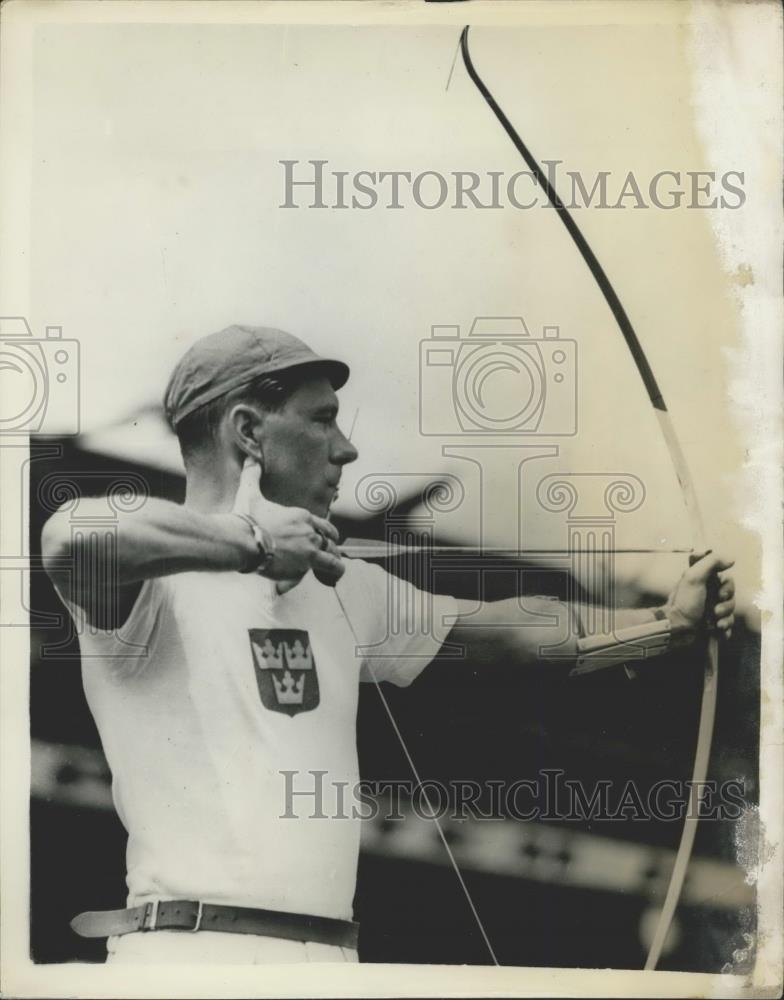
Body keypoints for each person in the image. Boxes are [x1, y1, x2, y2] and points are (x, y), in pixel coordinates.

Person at [41, 324, 736, 965]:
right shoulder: (146, 587)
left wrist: (667, 626)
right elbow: (71, 537)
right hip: (190, 959)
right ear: (248, 431)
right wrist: (250, 542)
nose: (346, 449)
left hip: (331, 960)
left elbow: (514, 636)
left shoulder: (348, 589)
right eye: (322, 420)